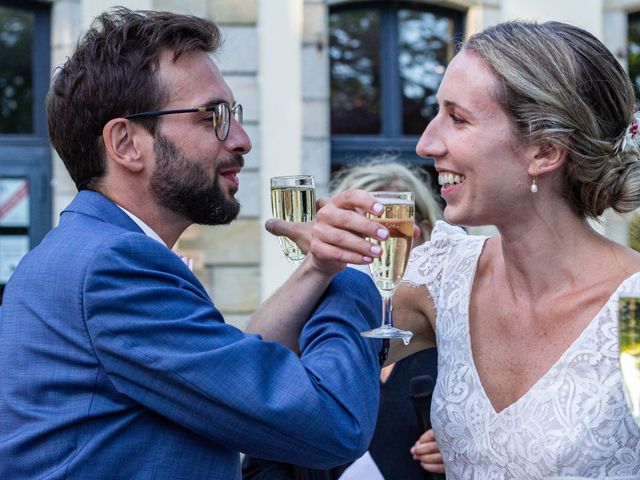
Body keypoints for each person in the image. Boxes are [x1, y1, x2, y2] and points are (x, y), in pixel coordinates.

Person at [0, 8, 390, 479]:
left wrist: (320, 267)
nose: (242, 140)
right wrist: (359, 273)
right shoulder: (115, 267)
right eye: (213, 117)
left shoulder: (82, 251)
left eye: (234, 116)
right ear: (125, 143)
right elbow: (331, 422)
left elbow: (234, 368)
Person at [281, 20, 640, 477]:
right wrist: (318, 267)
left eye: (457, 118)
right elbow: (276, 378)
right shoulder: (443, 277)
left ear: (545, 152)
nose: (426, 143)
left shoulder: (633, 309)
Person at [244, 158, 445, 479]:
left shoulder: (448, 340)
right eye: (360, 223)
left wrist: (462, 453)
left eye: (395, 219)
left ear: (423, 232)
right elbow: (262, 455)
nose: (380, 235)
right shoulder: (308, 333)